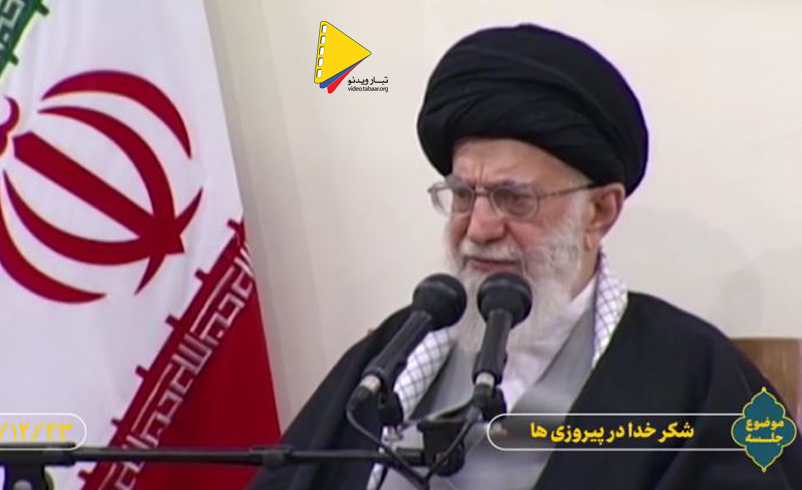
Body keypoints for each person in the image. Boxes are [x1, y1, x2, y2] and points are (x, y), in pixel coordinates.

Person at [249, 24, 801, 490]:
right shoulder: (395, 354)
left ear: (599, 212)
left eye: (514, 199)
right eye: (462, 195)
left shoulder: (699, 372)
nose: (479, 228)